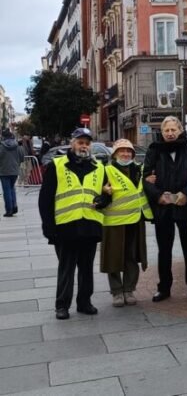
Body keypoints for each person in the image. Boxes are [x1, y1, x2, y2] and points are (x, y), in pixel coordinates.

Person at [38, 127, 109, 320]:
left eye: (87, 143)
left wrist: (103, 200)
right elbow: (45, 198)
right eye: (80, 142)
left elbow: (107, 194)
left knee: (86, 268)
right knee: (66, 268)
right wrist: (48, 226)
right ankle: (62, 305)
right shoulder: (57, 165)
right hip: (65, 226)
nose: (83, 146)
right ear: (72, 144)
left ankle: (84, 302)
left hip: (90, 225)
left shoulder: (99, 167)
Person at [142, 116, 187, 302]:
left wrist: (185, 193)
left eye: (173, 130)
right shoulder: (154, 150)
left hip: (185, 206)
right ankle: (164, 288)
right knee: (164, 250)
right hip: (163, 208)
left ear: (180, 130)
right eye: (166, 130)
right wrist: (158, 195)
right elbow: (146, 178)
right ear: (162, 132)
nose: (170, 133)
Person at [100, 139, 151, 307]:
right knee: (113, 257)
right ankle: (116, 291)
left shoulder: (140, 169)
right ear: (115, 154)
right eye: (121, 151)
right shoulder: (106, 170)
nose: (125, 154)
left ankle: (129, 289)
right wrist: (103, 191)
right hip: (113, 221)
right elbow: (96, 193)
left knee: (131, 256)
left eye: (129, 151)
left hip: (135, 219)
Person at [1, 130, 25, 216]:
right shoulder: (17, 146)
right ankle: (14, 206)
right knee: (12, 188)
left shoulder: (1, 146)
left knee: (7, 190)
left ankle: (9, 210)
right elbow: (22, 158)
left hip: (4, 171)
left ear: (3, 137)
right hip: (15, 171)